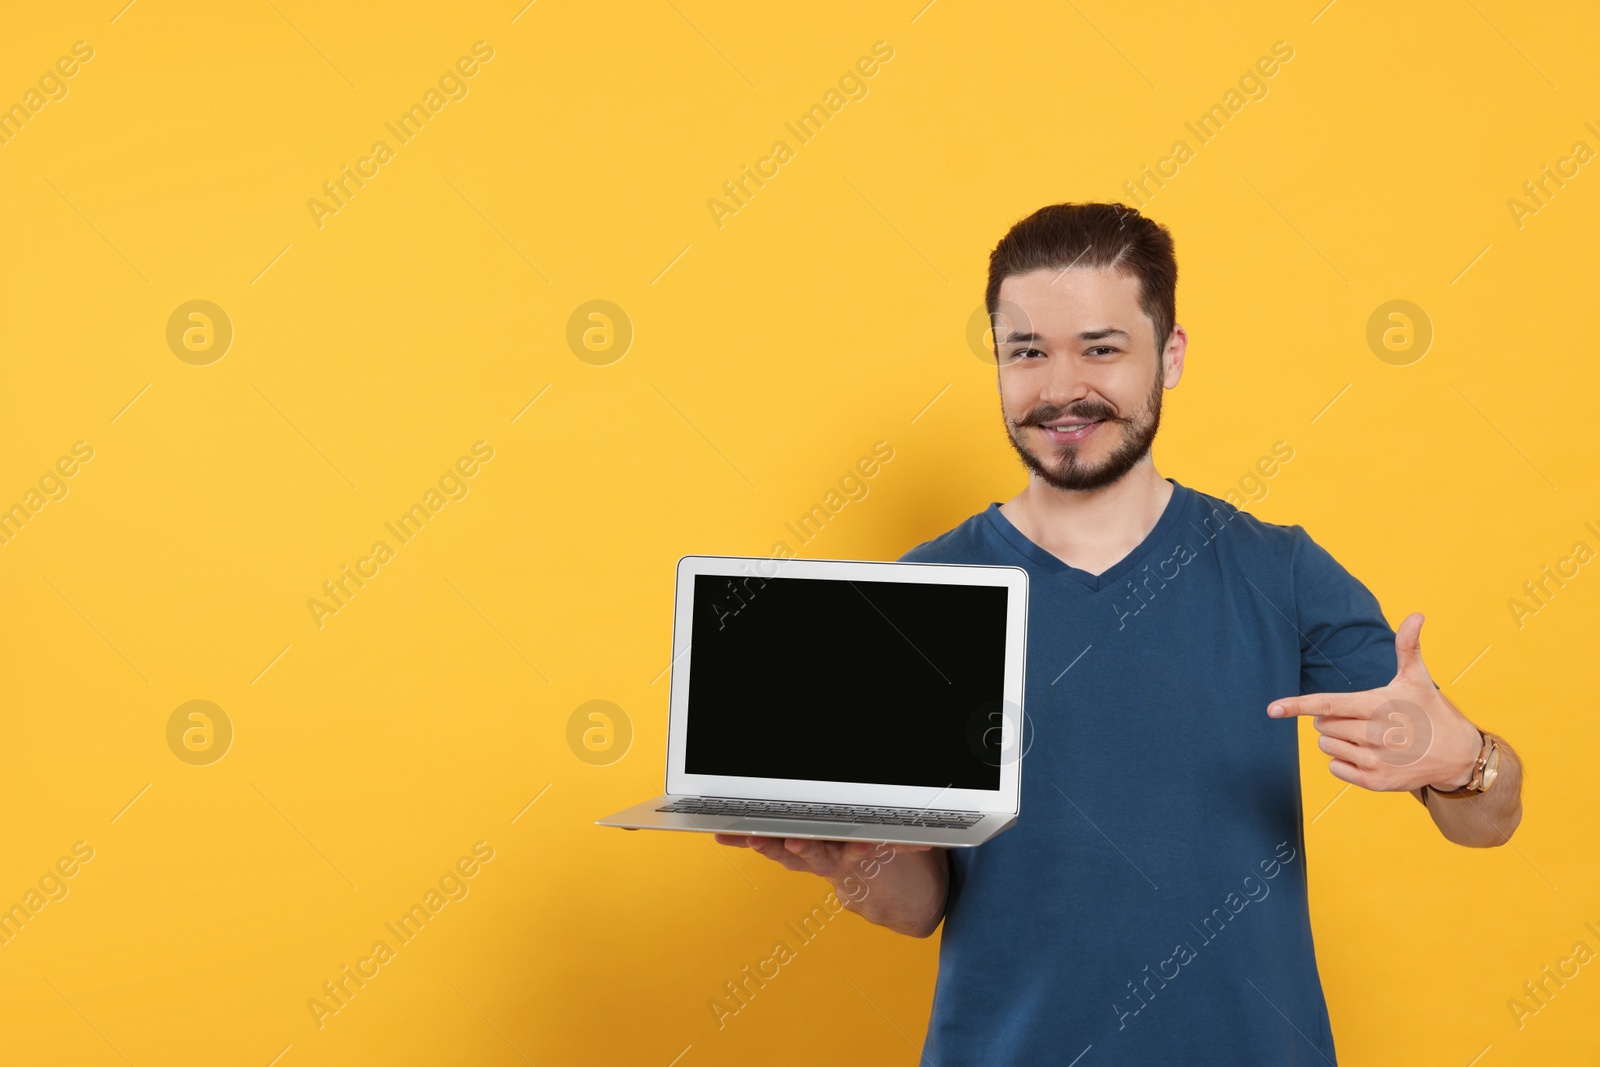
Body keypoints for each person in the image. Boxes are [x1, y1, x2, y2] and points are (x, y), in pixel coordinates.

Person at [715, 201, 1524, 1064]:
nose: (1061, 389)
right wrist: (847, 859)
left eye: (1101, 348)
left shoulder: (1279, 571)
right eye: (1028, 352)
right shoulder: (925, 595)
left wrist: (1466, 762)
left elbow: (1489, 821)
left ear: (1169, 357)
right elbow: (920, 904)